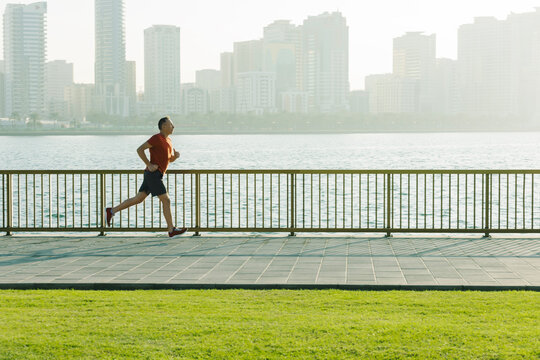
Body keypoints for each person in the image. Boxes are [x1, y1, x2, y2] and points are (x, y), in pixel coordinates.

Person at [106, 116, 188, 237]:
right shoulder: (156, 138)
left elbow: (168, 159)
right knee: (166, 200)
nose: (173, 126)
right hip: (152, 175)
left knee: (138, 199)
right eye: (171, 124)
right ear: (164, 126)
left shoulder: (169, 141)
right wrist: (149, 164)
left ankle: (111, 211)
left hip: (155, 175)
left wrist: (174, 157)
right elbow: (140, 149)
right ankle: (171, 230)